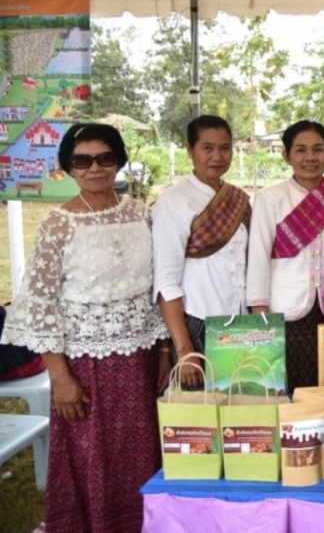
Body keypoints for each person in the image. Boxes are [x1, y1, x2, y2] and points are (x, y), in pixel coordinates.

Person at [0, 123, 169, 533]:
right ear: (69, 167)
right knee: (93, 455)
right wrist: (59, 378)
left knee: (145, 449)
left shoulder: (142, 214)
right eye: (82, 160)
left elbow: (160, 287)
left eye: (105, 158)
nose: (95, 168)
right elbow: (40, 304)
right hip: (85, 365)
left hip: (142, 359)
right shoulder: (58, 224)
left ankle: (146, 523)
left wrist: (165, 352)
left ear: (119, 161)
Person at [246, 120, 324, 393]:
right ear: (286, 156)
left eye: (318, 149)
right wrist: (261, 315)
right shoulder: (270, 198)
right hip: (285, 309)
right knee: (289, 388)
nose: (310, 157)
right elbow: (258, 256)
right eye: (301, 150)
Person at [153, 115, 251, 387]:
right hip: (198, 321)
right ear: (190, 149)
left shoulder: (238, 198)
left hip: (240, 321)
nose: (217, 156)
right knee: (201, 408)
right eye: (207, 148)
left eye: (225, 148)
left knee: (243, 401)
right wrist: (185, 351)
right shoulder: (174, 201)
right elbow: (166, 283)